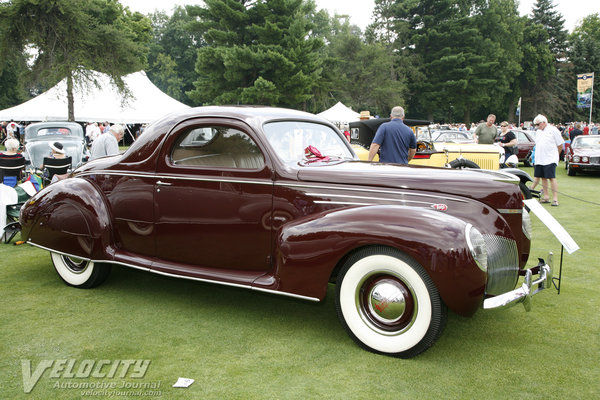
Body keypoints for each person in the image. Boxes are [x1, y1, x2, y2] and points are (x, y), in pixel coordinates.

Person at [529, 114, 564, 206]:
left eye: (538, 124)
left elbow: (560, 145)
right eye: (535, 125)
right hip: (540, 158)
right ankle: (546, 197)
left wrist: (556, 155)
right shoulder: (538, 132)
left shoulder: (553, 130)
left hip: (550, 158)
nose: (536, 127)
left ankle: (555, 199)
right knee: (543, 178)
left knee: (551, 178)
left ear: (544, 122)